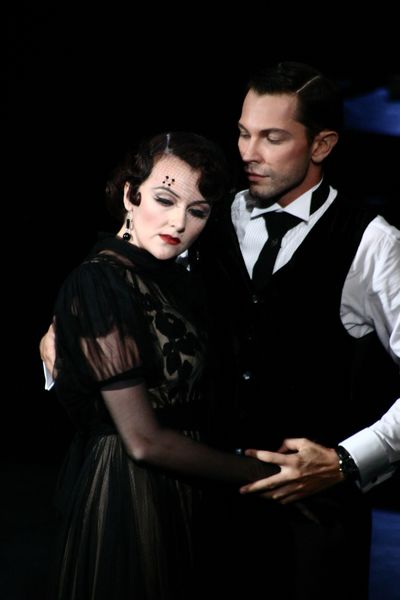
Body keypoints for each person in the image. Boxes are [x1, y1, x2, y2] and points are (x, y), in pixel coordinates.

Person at [187, 61, 400, 599]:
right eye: (243, 133)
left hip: (314, 529)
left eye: (272, 137)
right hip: (206, 514)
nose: (248, 152)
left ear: (321, 144)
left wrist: (349, 460)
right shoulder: (205, 220)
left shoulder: (373, 243)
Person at [43, 131, 280, 600]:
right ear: (129, 196)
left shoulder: (174, 276)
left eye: (198, 212)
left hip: (192, 484)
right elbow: (142, 441)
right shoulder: (100, 281)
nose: (178, 222)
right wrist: (263, 477)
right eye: (164, 200)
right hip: (132, 491)